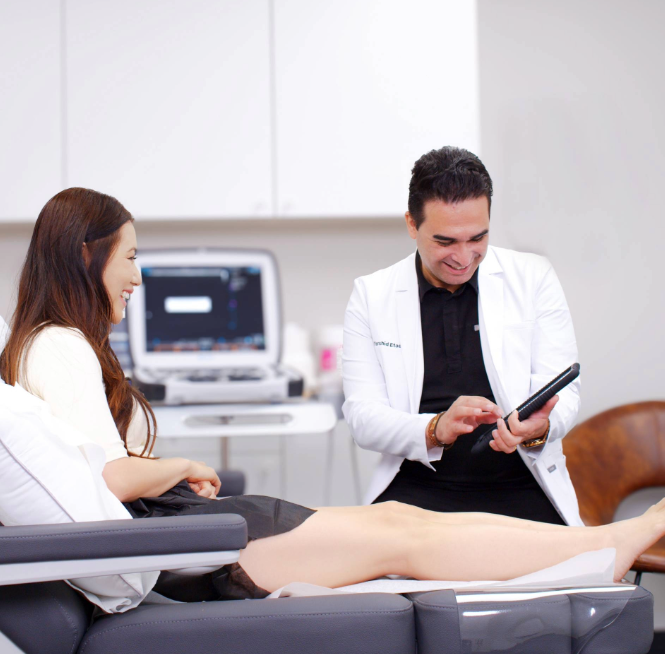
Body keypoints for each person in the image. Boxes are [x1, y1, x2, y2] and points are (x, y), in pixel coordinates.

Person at [0, 187, 658, 601]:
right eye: (130, 256)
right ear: (89, 257)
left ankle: (601, 546)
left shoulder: (50, 344)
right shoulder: (58, 345)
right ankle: (611, 545)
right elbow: (109, 481)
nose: (138, 277)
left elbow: (95, 475)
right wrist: (182, 465)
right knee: (404, 532)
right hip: (180, 550)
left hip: (184, 532)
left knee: (402, 524)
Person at [343, 146, 581, 525]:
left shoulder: (534, 279)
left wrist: (540, 429)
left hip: (522, 486)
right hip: (416, 490)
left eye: (477, 238)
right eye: (445, 241)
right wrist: (435, 428)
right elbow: (363, 418)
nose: (464, 256)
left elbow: (563, 395)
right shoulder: (372, 296)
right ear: (411, 224)